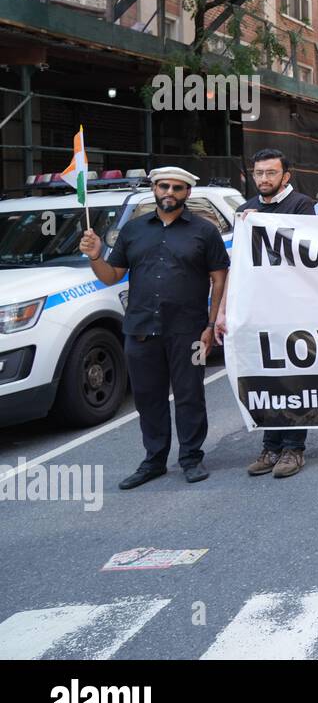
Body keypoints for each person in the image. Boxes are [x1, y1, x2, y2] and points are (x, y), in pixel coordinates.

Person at [78, 167, 229, 489]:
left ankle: (191, 458)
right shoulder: (133, 231)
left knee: (190, 395)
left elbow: (219, 279)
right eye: (163, 186)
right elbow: (111, 275)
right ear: (154, 189)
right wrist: (95, 256)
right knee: (148, 398)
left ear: (188, 193)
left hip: (189, 331)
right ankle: (154, 461)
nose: (169, 192)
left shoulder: (205, 231)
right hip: (140, 329)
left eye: (177, 187)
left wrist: (211, 323)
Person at [216, 149, 316, 479]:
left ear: (285, 176)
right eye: (259, 173)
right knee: (266, 376)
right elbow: (238, 266)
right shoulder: (246, 211)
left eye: (271, 173)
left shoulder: (301, 205)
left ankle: (293, 448)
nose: (264, 179)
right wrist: (223, 311)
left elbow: (307, 254)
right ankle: (271, 445)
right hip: (258, 309)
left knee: (293, 377)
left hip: (292, 308)